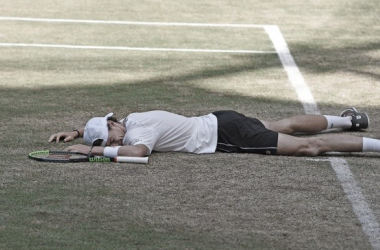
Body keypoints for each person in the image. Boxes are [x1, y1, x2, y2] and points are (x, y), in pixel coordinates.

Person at [48, 107, 380, 158]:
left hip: (230, 137)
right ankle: (351, 120)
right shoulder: (131, 118)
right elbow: (108, 130)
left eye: (110, 139)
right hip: (223, 118)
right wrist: (77, 132)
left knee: (311, 148)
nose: (115, 143)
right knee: (285, 125)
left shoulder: (137, 136)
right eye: (108, 144)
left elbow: (139, 155)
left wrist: (93, 151)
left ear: (111, 125)